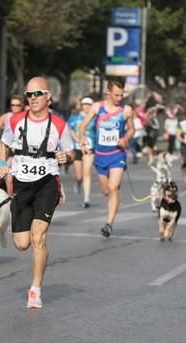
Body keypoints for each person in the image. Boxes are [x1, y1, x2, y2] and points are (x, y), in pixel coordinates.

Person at [0, 77, 74, 309]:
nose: (33, 98)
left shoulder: (59, 124)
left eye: (38, 93)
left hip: (46, 184)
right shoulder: (16, 120)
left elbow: (70, 152)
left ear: (48, 96)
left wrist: (65, 157)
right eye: (29, 95)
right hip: (21, 184)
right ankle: (37, 254)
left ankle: (35, 289)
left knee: (38, 237)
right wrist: (2, 162)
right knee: (21, 243)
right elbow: (3, 144)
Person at [79, 79, 135, 237]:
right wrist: (82, 141)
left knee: (113, 188)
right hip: (100, 155)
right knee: (105, 190)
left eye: (121, 95)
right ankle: (109, 194)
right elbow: (83, 125)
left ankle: (109, 223)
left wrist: (126, 139)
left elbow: (131, 129)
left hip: (117, 154)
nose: (119, 98)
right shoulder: (97, 107)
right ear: (108, 93)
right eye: (116, 95)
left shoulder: (126, 110)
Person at [68, 96, 96, 207]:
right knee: (79, 176)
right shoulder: (75, 116)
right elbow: (70, 129)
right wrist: (77, 140)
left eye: (89, 104)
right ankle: (78, 183)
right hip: (77, 147)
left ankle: (86, 198)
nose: (87, 106)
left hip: (90, 147)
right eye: (85, 104)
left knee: (87, 172)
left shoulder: (95, 117)